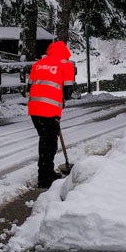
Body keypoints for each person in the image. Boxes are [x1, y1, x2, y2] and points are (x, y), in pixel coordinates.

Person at [27, 40, 77, 188]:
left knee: (45, 140)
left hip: (34, 108)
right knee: (49, 143)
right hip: (50, 109)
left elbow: (29, 86)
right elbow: (68, 92)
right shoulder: (67, 65)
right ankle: (44, 178)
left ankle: (46, 171)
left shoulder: (38, 64)